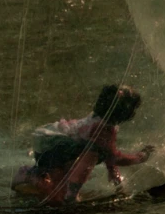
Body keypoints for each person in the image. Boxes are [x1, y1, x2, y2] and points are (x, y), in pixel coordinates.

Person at [12, 85, 154, 204]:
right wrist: (140, 157)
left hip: (50, 140)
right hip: (56, 144)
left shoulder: (99, 122)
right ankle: (33, 177)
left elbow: (109, 154)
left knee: (58, 191)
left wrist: (116, 181)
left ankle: (37, 177)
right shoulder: (102, 128)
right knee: (59, 197)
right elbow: (114, 157)